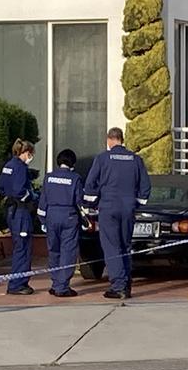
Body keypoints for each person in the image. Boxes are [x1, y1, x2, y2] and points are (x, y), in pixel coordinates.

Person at [84, 127, 151, 299]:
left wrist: (91, 203)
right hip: (128, 208)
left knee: (111, 246)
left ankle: (119, 286)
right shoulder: (136, 159)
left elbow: (90, 184)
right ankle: (126, 283)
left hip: (108, 207)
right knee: (125, 245)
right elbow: (145, 186)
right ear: (122, 139)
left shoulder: (102, 158)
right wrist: (137, 203)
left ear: (109, 140)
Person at [37, 149, 83, 298]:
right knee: (68, 251)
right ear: (72, 163)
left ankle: (55, 283)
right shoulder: (75, 178)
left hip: (51, 216)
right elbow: (79, 202)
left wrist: (42, 220)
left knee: (54, 251)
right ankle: (62, 287)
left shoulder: (49, 177)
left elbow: (43, 200)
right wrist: (86, 220)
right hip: (69, 216)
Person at [0, 139, 36, 295]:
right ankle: (18, 284)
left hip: (11, 211)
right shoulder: (20, 168)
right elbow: (20, 191)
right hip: (20, 211)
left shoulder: (8, 166)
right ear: (26, 153)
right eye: (30, 154)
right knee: (23, 247)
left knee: (18, 246)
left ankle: (18, 282)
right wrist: (31, 195)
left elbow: (0, 187)